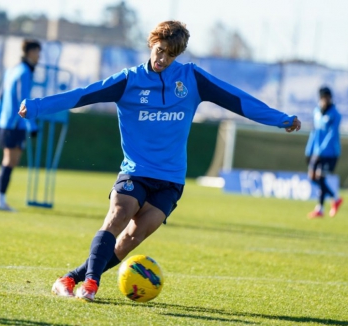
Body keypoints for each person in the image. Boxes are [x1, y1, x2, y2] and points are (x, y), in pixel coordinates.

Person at [19, 21, 301, 302]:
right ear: (151, 44)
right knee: (118, 215)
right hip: (135, 172)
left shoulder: (192, 79)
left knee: (130, 239)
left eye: (170, 54)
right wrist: (37, 106)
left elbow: (237, 100)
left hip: (170, 179)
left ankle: (69, 278)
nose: (162, 59)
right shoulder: (129, 80)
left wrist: (280, 119)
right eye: (159, 50)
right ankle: (91, 285)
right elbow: (82, 94)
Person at [0, 39, 40, 211]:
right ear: (30, 52)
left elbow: (0, 96)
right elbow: (23, 101)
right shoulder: (25, 71)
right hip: (14, 124)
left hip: (5, 122)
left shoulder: (12, 69)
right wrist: (32, 126)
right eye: (37, 52)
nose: (39, 56)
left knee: (7, 161)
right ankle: (0, 200)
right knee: (11, 161)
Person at [305, 86, 343, 218]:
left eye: (327, 97)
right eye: (323, 97)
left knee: (321, 177)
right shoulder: (316, 112)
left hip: (330, 153)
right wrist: (309, 150)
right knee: (312, 177)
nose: (325, 100)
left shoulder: (335, 114)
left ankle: (320, 209)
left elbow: (332, 134)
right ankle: (335, 198)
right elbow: (313, 133)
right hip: (316, 152)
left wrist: (321, 150)